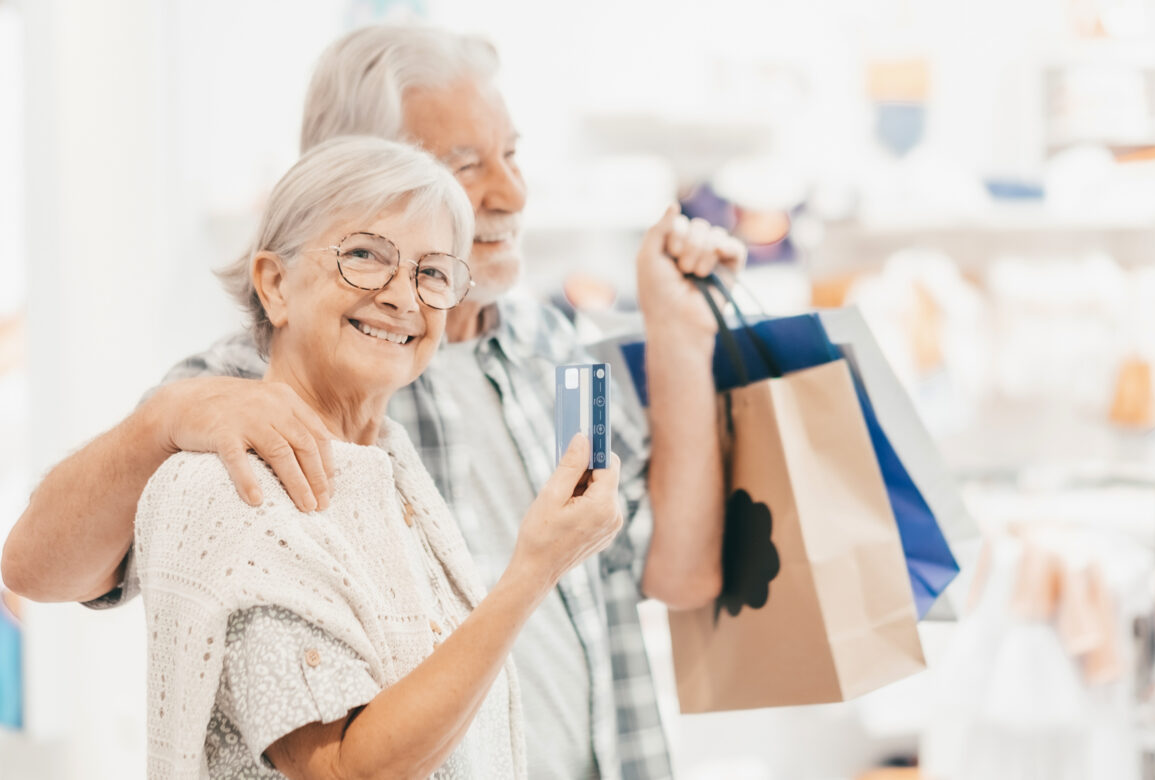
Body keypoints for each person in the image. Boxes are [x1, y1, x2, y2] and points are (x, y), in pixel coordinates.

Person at [2, 24, 743, 780]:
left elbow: (675, 573)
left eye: (510, 155)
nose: (512, 193)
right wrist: (163, 419)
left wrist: (680, 337)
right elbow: (35, 567)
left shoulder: (549, 352)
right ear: (358, 175)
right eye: (464, 166)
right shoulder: (254, 397)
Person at [141, 134, 625, 778]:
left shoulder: (391, 474)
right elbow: (345, 769)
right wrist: (535, 569)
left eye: (431, 272)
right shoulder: (236, 486)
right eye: (365, 257)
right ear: (275, 284)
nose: (403, 296)